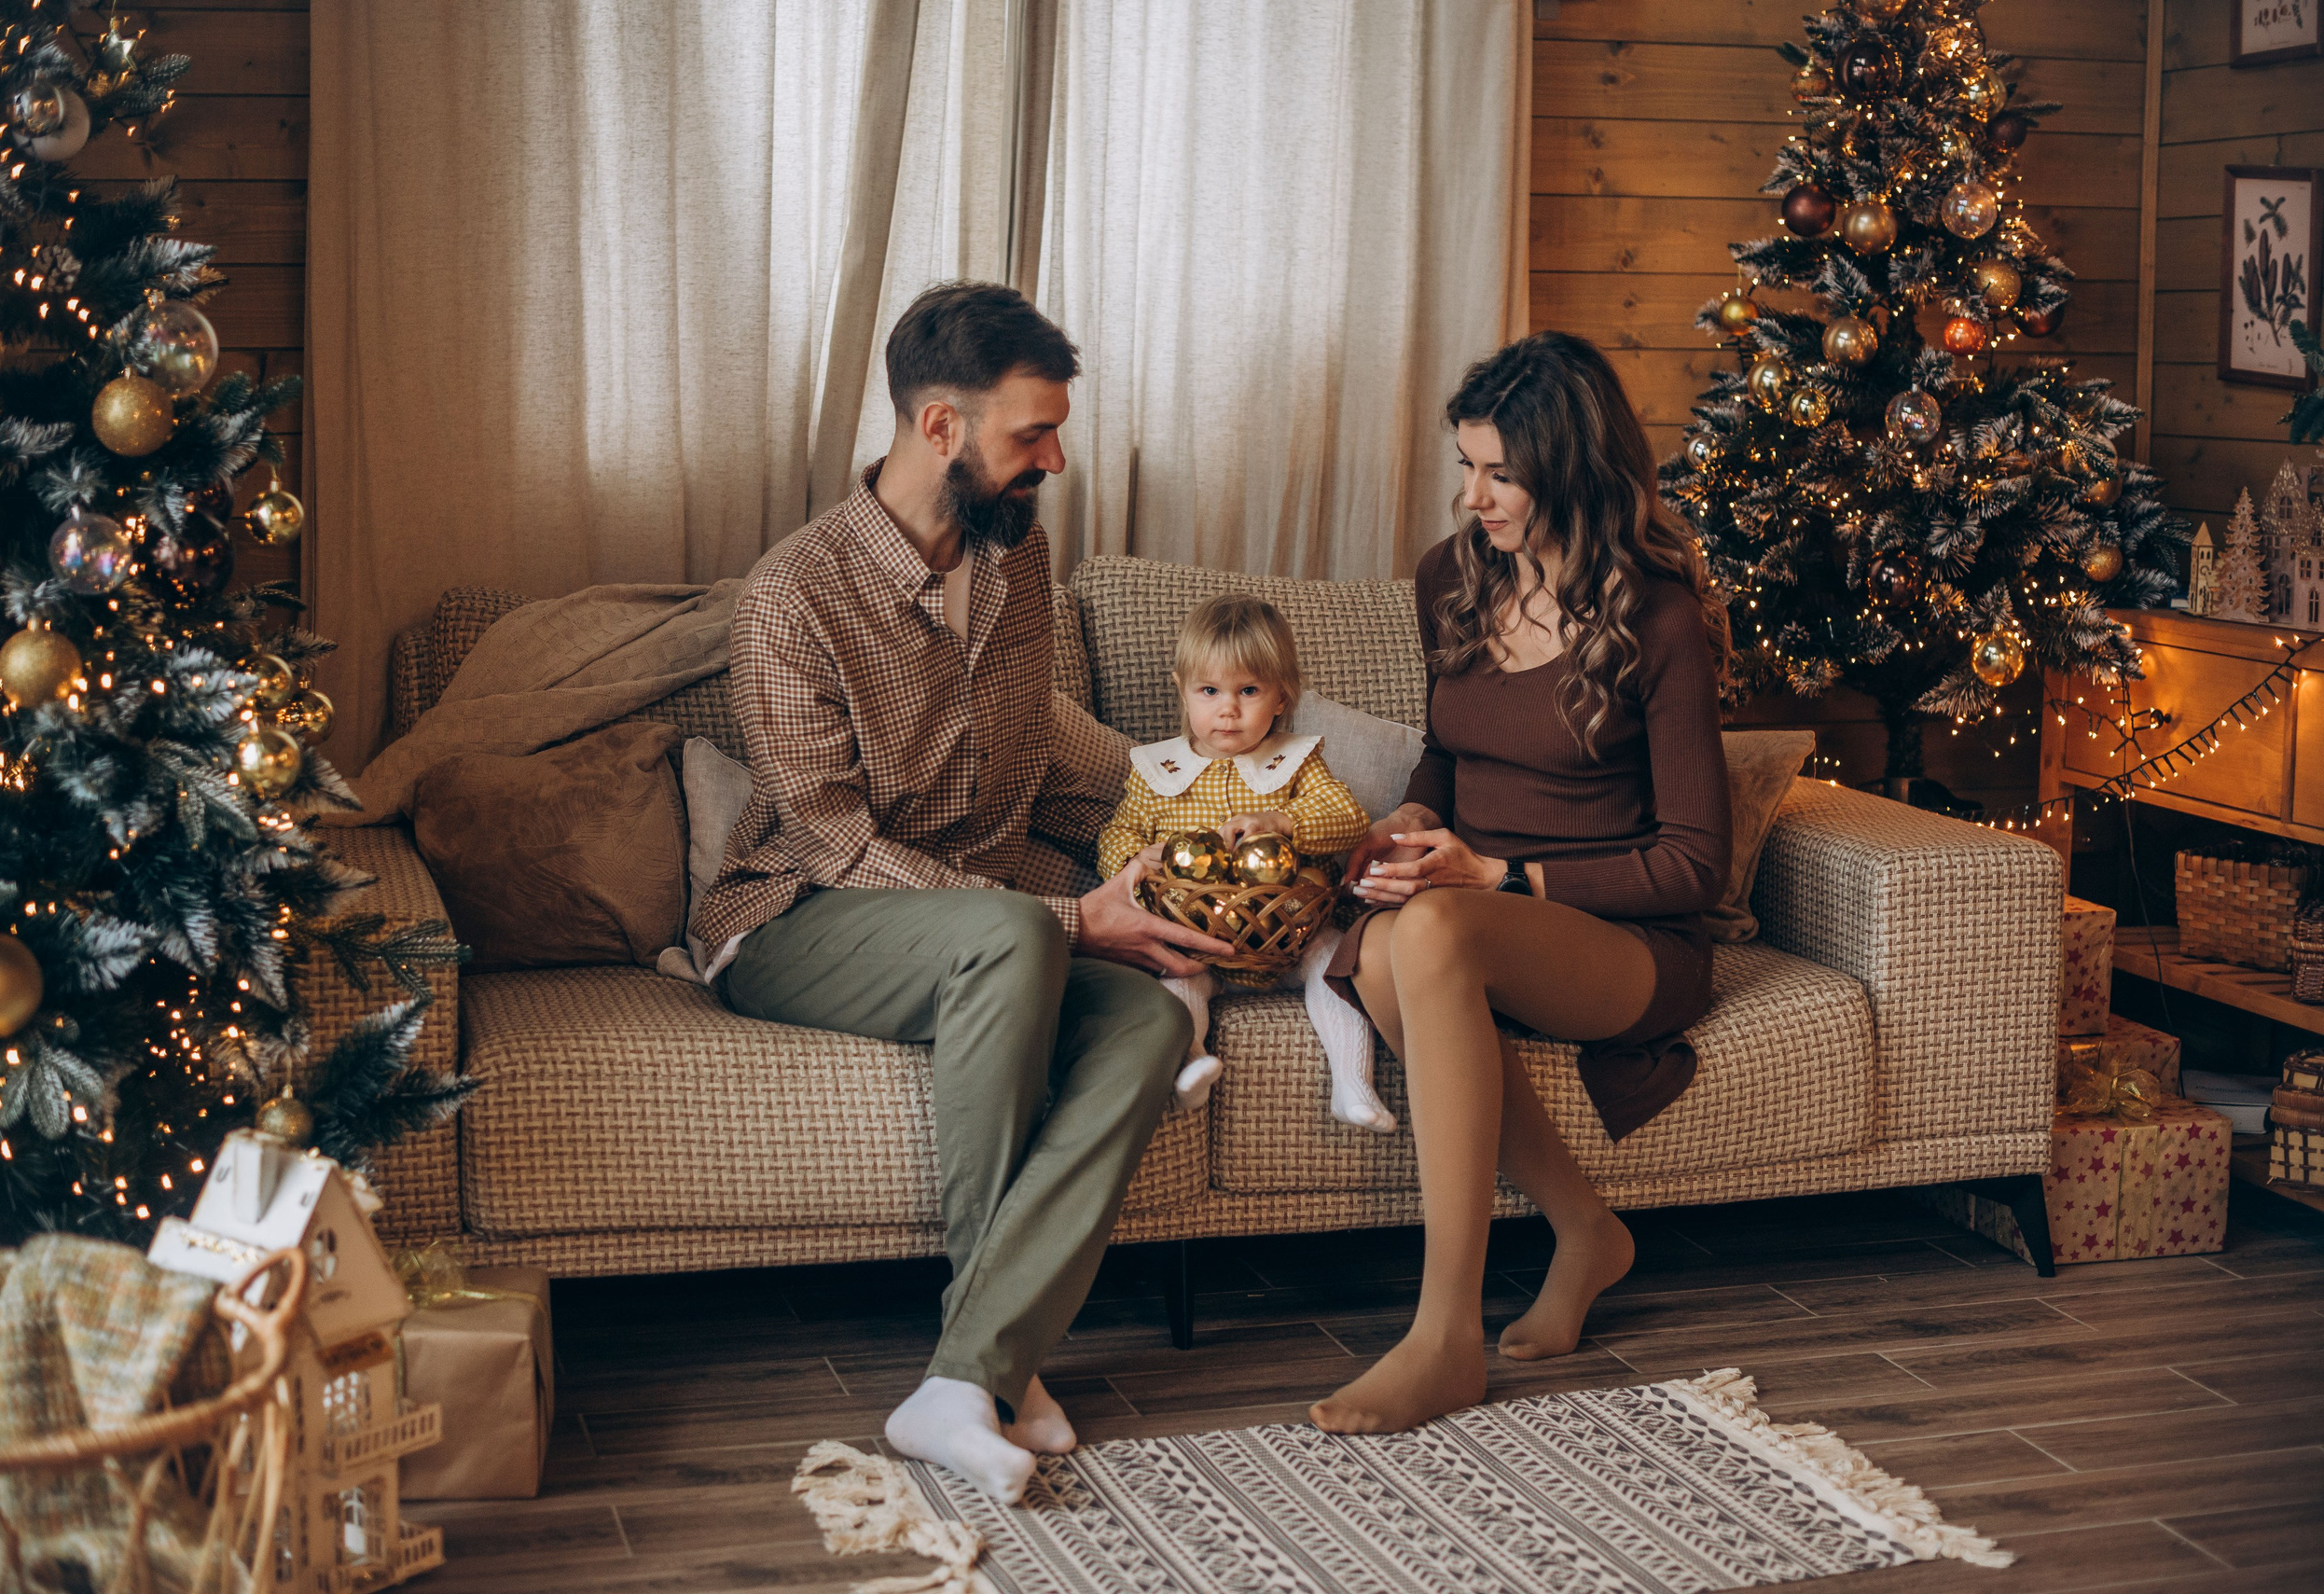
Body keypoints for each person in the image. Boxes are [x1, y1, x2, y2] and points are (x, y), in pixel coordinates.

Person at [690, 282, 1226, 1503]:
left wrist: (1139, 859)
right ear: (942, 428)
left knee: (1149, 1017)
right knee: (1004, 931)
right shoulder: (791, 596)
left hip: (980, 919)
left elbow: (1027, 774)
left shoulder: (1017, 557)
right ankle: (989, 1365)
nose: (1056, 458)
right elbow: (826, 838)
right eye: (1032, 433)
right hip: (794, 916)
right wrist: (1057, 918)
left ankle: (969, 1374)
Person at [1308, 331, 1732, 1435]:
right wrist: (1409, 813)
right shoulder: (1451, 577)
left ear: (1574, 471)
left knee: (1432, 935)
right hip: (1468, 904)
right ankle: (1585, 1229)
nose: (1472, 495)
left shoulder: (1659, 616)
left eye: (1499, 472)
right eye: (1465, 465)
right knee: (1406, 939)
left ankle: (1443, 1333)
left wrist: (1499, 871)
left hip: (1626, 941)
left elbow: (1694, 859)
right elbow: (1452, 753)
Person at [1095, 593, 1387, 1130]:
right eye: (1209, 691)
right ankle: (1191, 1062)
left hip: (1288, 936)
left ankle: (1353, 1084)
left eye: (1248, 691)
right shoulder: (1157, 771)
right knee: (1173, 978)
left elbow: (1349, 818)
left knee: (1336, 962)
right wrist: (1139, 857)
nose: (1228, 708)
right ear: (1183, 692)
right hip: (1195, 938)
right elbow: (1118, 831)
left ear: (1281, 698)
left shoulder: (1297, 763)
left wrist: (1282, 822)